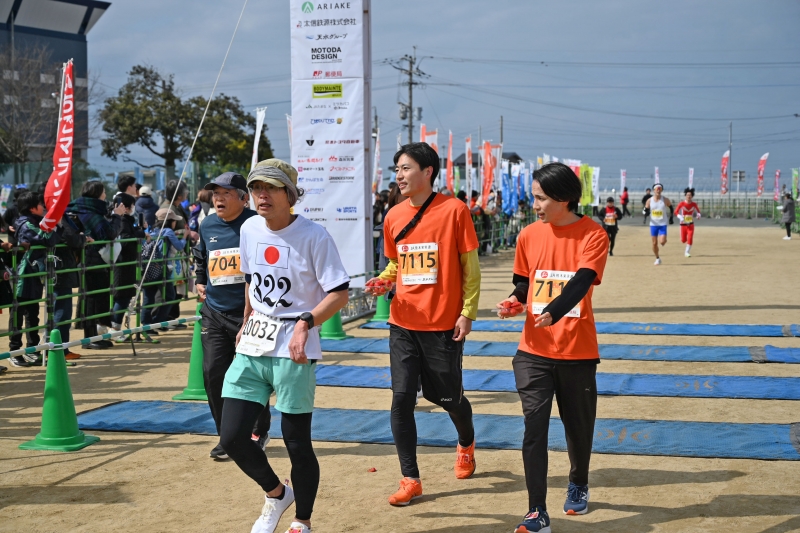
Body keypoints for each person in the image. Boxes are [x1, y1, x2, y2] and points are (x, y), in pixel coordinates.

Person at [219, 159, 349, 533]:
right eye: (256, 187)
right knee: (231, 437)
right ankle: (277, 494)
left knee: (297, 443)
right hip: (254, 343)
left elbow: (339, 293)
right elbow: (251, 278)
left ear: (290, 195)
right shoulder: (249, 228)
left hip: (294, 347)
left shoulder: (314, 236)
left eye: (271, 188)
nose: (262, 195)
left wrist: (306, 323)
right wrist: (246, 319)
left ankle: (302, 520)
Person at [365, 142, 481, 507]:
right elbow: (397, 264)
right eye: (396, 169)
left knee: (448, 399)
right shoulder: (393, 216)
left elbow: (471, 268)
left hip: (443, 324)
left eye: (406, 168)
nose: (399, 176)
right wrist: (384, 280)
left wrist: (467, 312)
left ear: (428, 171)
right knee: (401, 399)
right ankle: (410, 478)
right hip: (402, 322)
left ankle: (466, 443)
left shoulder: (455, 210)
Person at [495, 162, 608, 533]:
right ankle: (536, 511)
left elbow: (582, 281)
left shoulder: (593, 234)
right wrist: (514, 301)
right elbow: (524, 284)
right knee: (534, 428)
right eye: (534, 197)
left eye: (541, 198)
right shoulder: (528, 235)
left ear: (563, 198)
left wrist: (554, 311)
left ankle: (578, 480)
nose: (535, 205)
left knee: (578, 428)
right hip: (533, 352)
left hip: (577, 352)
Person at [193, 172, 272, 462]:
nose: (218, 199)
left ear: (243, 198)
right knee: (214, 374)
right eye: (215, 194)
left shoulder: (257, 224)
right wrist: (200, 279)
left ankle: (258, 430)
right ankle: (228, 437)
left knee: (252, 376)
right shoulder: (207, 224)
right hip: (214, 312)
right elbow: (201, 255)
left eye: (226, 193)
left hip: (249, 314)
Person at [67, 181, 120, 349]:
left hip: (88, 260)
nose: (105, 195)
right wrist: (117, 216)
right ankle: (89, 339)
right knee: (92, 300)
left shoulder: (80, 208)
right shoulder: (91, 213)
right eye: (103, 192)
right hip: (92, 261)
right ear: (97, 194)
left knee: (94, 299)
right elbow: (110, 233)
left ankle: (93, 337)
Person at [8, 191, 57, 367]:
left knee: (33, 314)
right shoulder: (27, 224)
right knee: (18, 314)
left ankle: (32, 350)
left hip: (33, 273)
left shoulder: (34, 222)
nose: (43, 207)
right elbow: (47, 239)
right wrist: (56, 226)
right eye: (40, 204)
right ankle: (15, 351)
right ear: (32, 207)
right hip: (23, 275)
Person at [141, 208, 186, 328]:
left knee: (148, 298)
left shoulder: (152, 230)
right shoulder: (168, 231)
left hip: (148, 267)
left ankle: (146, 325)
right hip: (162, 268)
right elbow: (179, 246)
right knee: (170, 295)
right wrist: (185, 238)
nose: (175, 223)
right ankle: (158, 321)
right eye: (174, 220)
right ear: (169, 221)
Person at [109, 193, 147, 333]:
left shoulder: (124, 220)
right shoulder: (123, 221)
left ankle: (114, 326)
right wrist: (141, 234)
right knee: (122, 296)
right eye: (132, 205)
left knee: (122, 296)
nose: (133, 208)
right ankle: (115, 327)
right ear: (125, 207)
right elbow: (125, 239)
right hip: (123, 264)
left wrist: (140, 230)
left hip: (124, 264)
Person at [644, 184, 672, 265]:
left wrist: (671, 218)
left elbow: (671, 208)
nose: (658, 191)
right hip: (653, 224)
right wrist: (645, 214)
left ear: (661, 190)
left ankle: (664, 239)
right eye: (657, 189)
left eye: (660, 189)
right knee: (654, 243)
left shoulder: (665, 200)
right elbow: (645, 210)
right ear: (654, 190)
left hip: (663, 224)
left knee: (662, 242)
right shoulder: (649, 200)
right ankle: (657, 258)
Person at [674, 188, 702, 256]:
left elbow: (698, 212)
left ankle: (687, 252)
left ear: (692, 196)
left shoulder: (694, 204)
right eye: (687, 195)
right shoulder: (681, 204)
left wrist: (698, 215)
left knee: (690, 238)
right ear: (685, 195)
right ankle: (685, 242)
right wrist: (679, 216)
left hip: (690, 224)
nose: (689, 196)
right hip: (683, 225)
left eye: (690, 195)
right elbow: (676, 212)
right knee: (683, 240)